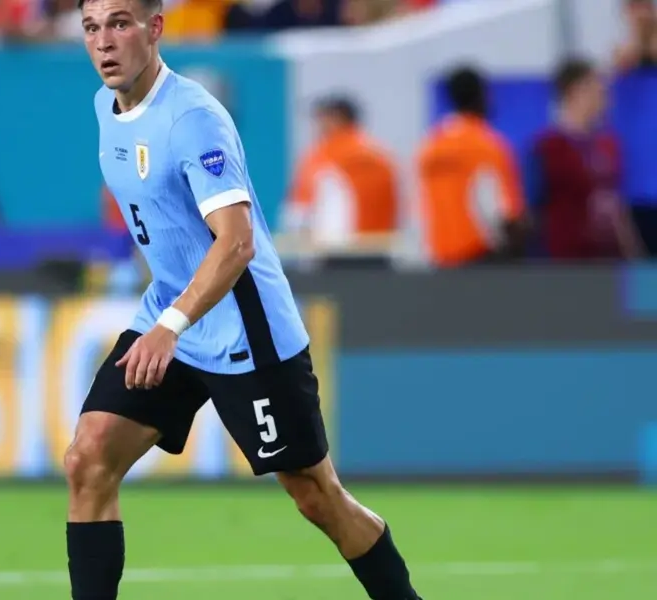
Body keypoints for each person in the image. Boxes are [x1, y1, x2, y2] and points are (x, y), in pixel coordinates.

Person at [68, 1, 422, 599]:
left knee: (316, 496)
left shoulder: (193, 121)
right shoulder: (106, 108)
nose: (104, 42)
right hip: (172, 315)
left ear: (155, 29)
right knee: (89, 457)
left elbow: (235, 244)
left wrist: (172, 325)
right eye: (92, 27)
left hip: (242, 330)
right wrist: (168, 317)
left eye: (121, 23)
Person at [527, 58, 644, 261]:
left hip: (609, 258)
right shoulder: (547, 148)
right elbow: (534, 207)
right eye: (597, 89)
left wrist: (634, 252)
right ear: (575, 92)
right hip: (567, 258)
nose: (604, 98)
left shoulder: (609, 145)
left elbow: (617, 204)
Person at [417, 65, 527, 267]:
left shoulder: (430, 146)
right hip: (481, 259)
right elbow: (506, 212)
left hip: (439, 259)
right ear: (481, 95)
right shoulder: (487, 145)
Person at [282, 95, 399, 262]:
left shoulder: (323, 158)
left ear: (335, 119)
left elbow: (299, 214)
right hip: (379, 253)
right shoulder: (382, 157)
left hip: (335, 257)